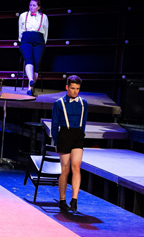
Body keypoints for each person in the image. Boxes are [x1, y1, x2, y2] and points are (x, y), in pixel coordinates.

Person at [51, 75, 88, 212]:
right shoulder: (59, 103)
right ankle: (62, 200)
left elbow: (84, 121)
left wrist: (81, 134)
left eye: (77, 89)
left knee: (76, 166)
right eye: (72, 88)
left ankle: (74, 199)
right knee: (65, 169)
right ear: (67, 87)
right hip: (64, 135)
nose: (75, 91)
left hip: (78, 135)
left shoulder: (83, 103)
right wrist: (56, 141)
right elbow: (54, 124)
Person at [18, 0, 49, 96]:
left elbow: (46, 32)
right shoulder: (23, 15)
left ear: (39, 7)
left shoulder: (44, 17)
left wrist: (43, 43)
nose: (31, 7)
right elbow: (20, 30)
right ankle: (31, 80)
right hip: (26, 39)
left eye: (34, 5)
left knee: (37, 62)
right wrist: (21, 40)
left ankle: (30, 89)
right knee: (29, 59)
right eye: (30, 5)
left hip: (39, 40)